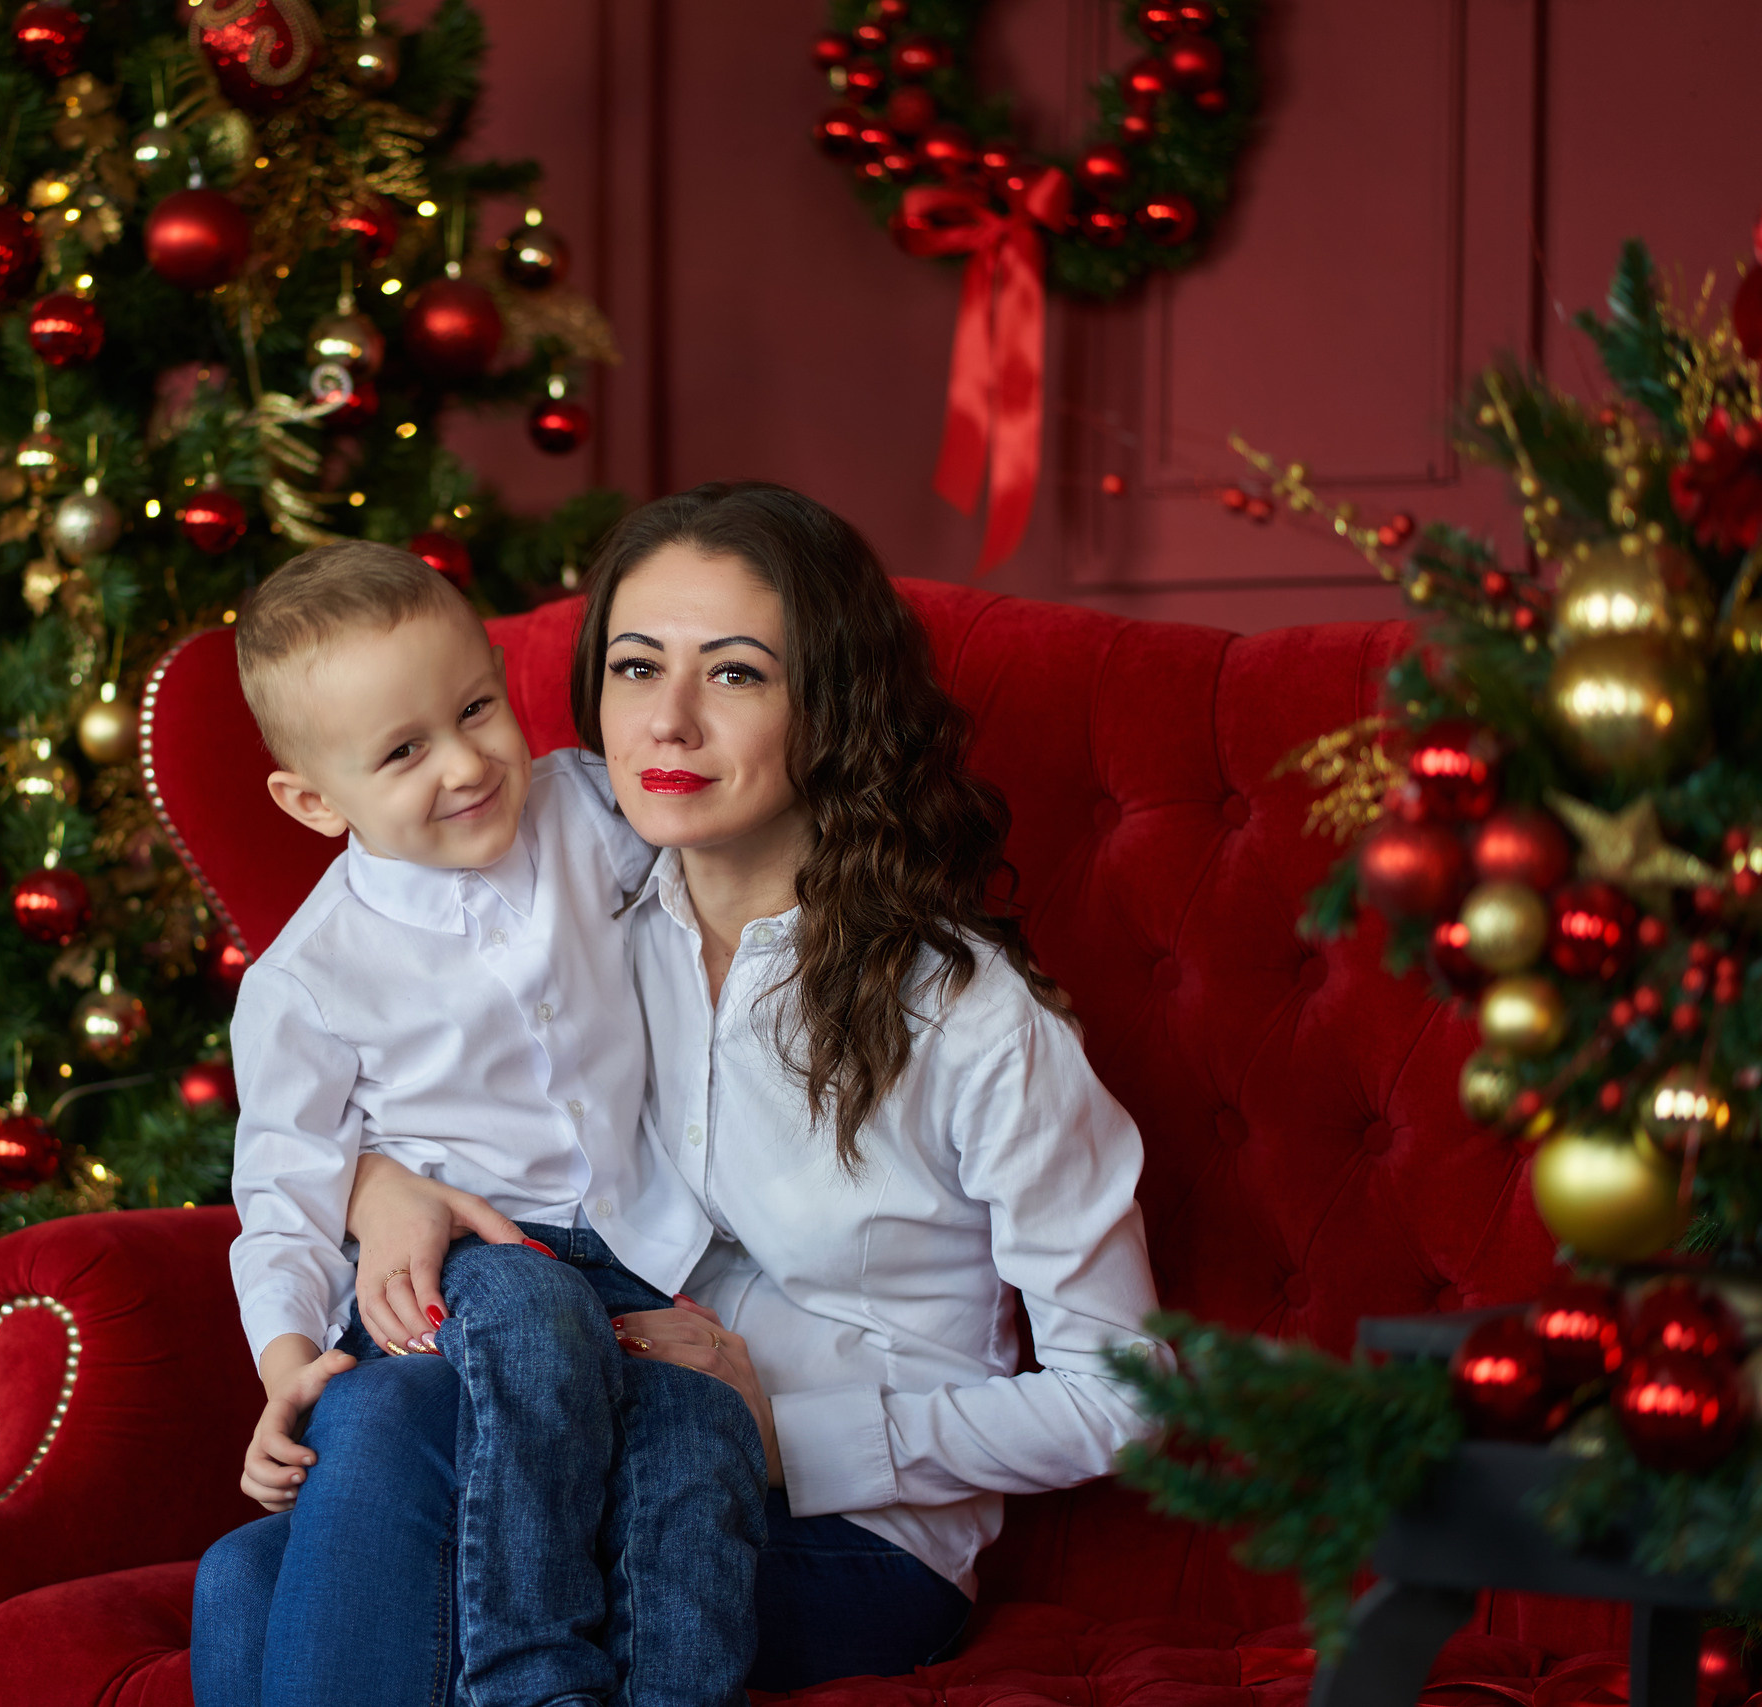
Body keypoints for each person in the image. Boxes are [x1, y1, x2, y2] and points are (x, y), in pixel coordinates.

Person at [326, 482, 1170, 1692]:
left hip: (852, 1537)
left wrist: (784, 1437)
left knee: (381, 1526)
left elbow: (1127, 1398)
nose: (666, 723)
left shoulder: (971, 1018)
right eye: (632, 668)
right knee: (250, 1572)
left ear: (830, 702)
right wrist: (377, 1187)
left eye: (733, 675)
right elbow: (408, 1099)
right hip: (609, 1459)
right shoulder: (586, 933)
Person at [195, 540, 766, 1707]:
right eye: (403, 752)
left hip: (637, 1257)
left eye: (475, 709)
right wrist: (290, 1363)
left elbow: (719, 853)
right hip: (462, 1282)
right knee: (527, 1303)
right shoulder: (307, 978)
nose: (464, 765)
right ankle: (527, 1673)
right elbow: (284, 1190)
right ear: (312, 801)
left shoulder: (584, 810)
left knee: (697, 1436)